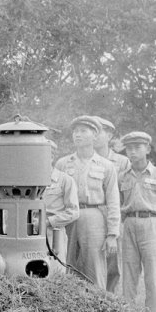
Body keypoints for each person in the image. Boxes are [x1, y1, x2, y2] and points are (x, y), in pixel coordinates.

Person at [55, 116, 120, 291]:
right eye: (75, 131)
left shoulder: (106, 166)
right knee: (65, 264)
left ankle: (98, 303)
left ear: (95, 136)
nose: (78, 135)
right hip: (68, 218)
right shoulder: (62, 164)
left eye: (83, 131)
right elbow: (54, 196)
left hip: (94, 217)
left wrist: (112, 234)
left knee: (95, 267)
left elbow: (113, 201)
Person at [119, 132, 156, 312]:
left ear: (148, 149)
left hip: (152, 224)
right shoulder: (122, 176)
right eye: (129, 148)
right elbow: (119, 204)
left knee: (152, 275)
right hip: (129, 223)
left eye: (137, 147)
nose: (133, 152)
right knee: (129, 273)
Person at [94, 117, 129, 293]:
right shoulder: (84, 159)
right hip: (91, 214)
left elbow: (126, 193)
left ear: (109, 135)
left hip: (113, 215)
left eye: (99, 131)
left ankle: (110, 298)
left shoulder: (122, 162)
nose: (95, 136)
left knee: (112, 263)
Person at [44, 140, 79, 264]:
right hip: (31, 234)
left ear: (51, 157)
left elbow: (73, 212)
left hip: (54, 233)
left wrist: (49, 222)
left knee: (55, 269)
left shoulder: (65, 180)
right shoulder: (27, 181)